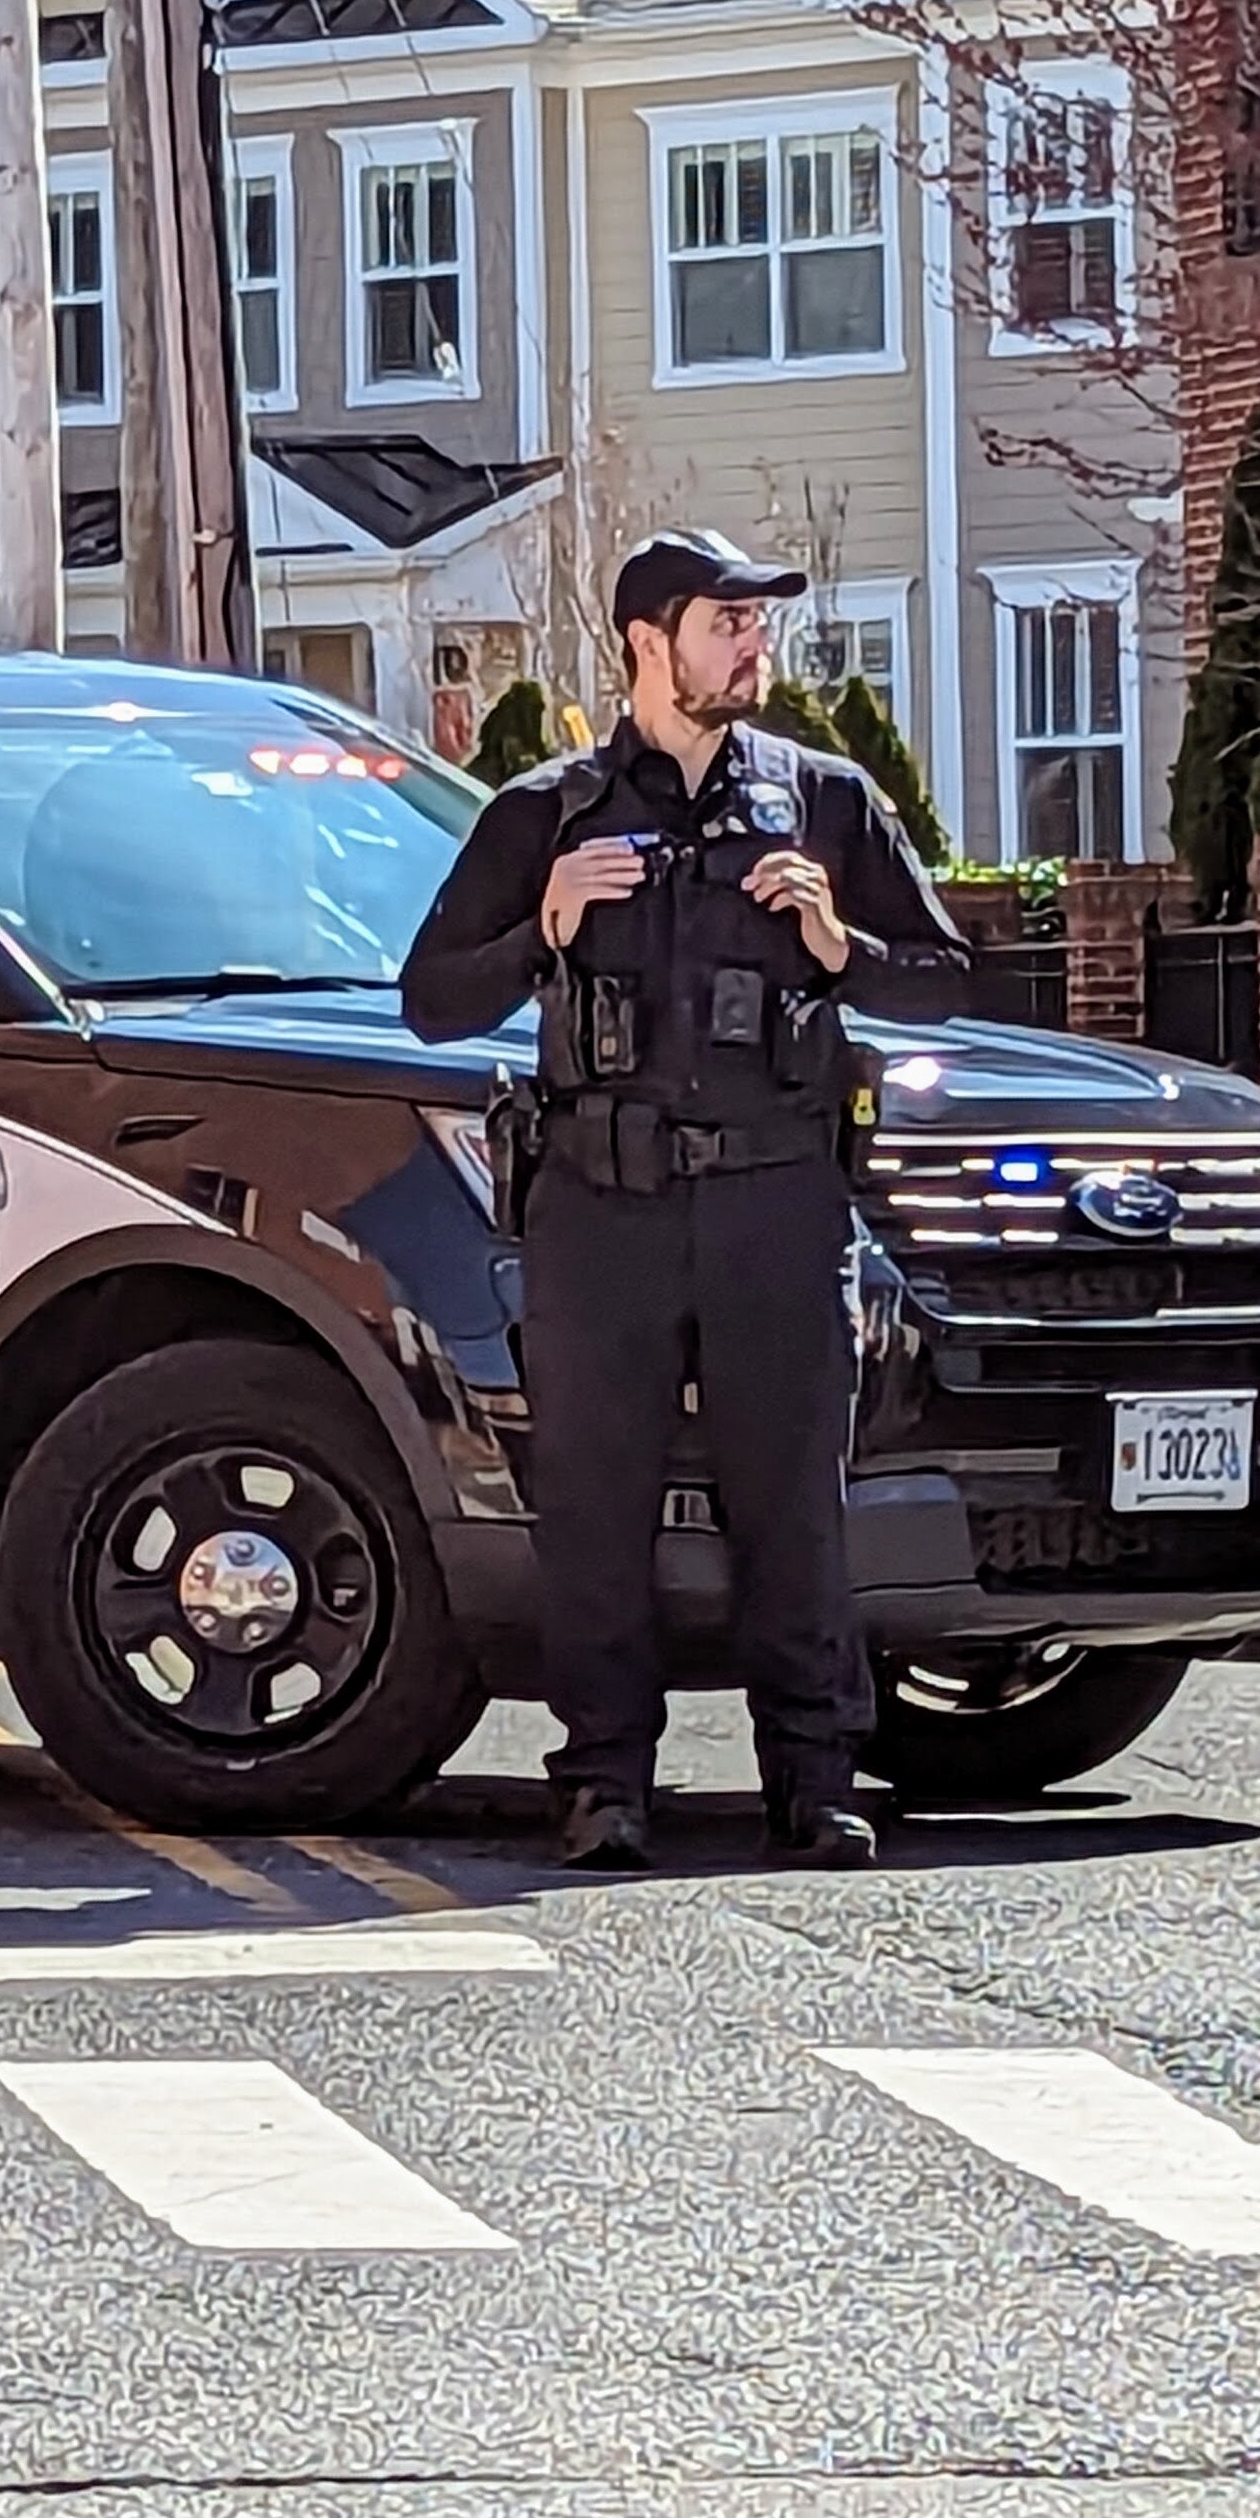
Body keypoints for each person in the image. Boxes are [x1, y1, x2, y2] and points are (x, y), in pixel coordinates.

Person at [400, 532, 976, 1869]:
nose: (753, 646)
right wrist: (540, 922)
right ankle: (604, 1780)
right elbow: (432, 1001)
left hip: (779, 1198)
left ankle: (817, 1775)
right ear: (648, 642)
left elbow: (944, 979)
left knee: (796, 1496)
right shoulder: (548, 812)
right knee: (595, 1506)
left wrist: (843, 944)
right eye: (727, 623)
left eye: (759, 624)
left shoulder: (825, 804)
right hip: (603, 1209)